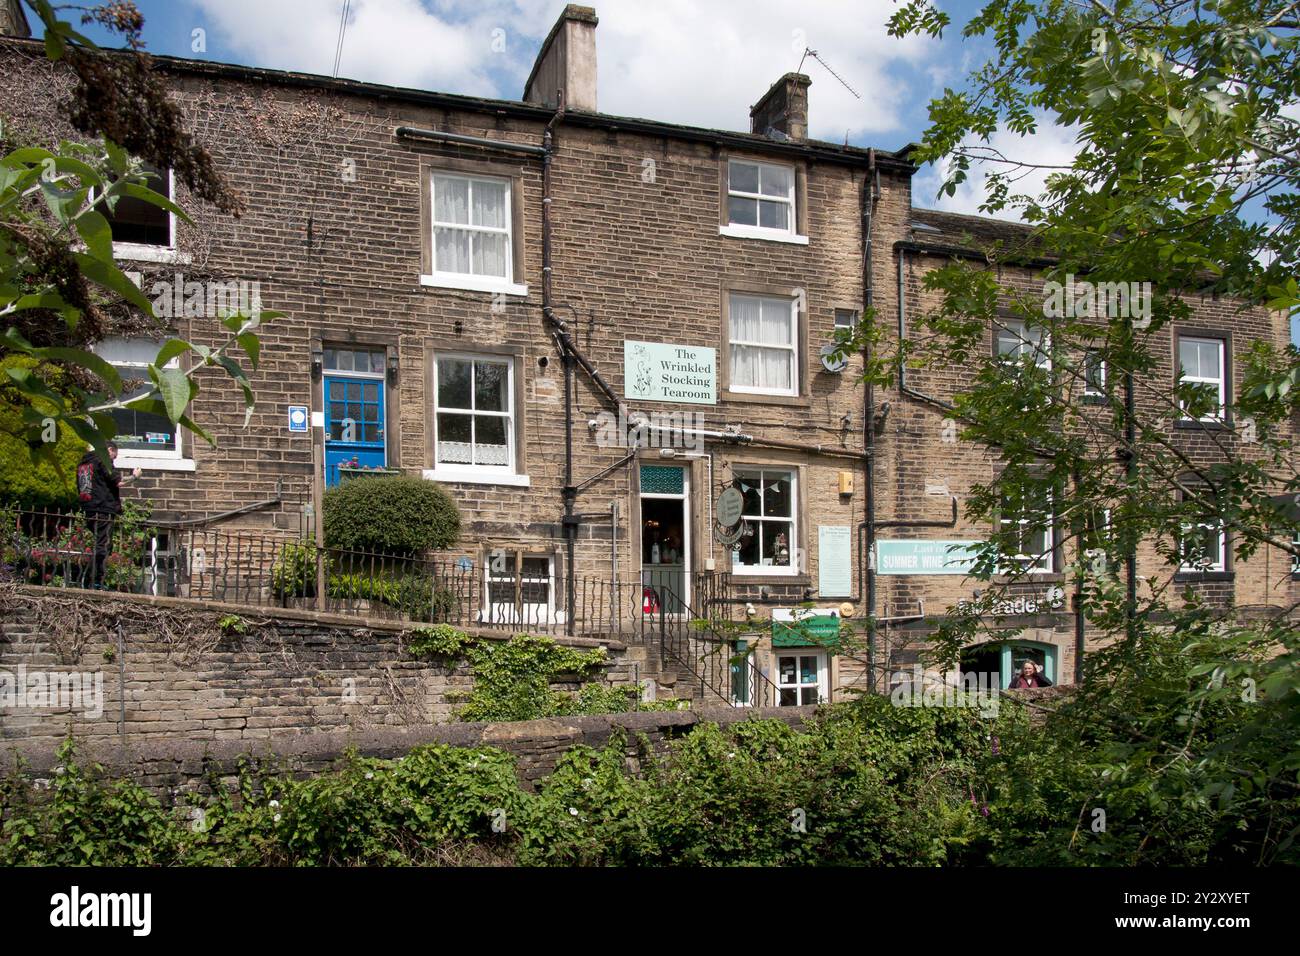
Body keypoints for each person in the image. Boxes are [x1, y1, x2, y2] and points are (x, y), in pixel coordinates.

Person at [76, 443, 140, 589]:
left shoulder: (84, 463)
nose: (113, 460)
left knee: (98, 544)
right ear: (110, 450)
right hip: (103, 509)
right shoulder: (102, 459)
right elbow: (120, 482)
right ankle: (96, 582)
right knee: (104, 546)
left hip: (88, 508)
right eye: (114, 456)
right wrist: (135, 477)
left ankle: (91, 581)